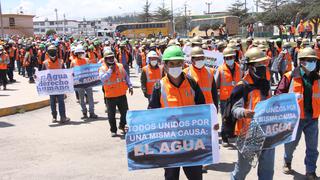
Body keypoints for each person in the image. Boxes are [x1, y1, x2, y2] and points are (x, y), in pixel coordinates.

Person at [148, 45, 206, 180]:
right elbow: (151, 114)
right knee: (171, 177)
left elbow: (203, 109)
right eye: (172, 63)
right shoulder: (159, 87)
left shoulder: (192, 83)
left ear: (183, 63)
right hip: (170, 143)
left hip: (191, 142)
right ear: (166, 65)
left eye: (179, 63)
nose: (176, 66)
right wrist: (134, 127)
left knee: (196, 176)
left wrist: (211, 124)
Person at [275, 47, 319, 180]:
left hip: (313, 118)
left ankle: (310, 171)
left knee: (312, 148)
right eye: (309, 60)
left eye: (314, 60)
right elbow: (278, 95)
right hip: (294, 119)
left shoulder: (318, 78)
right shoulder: (289, 77)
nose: (313, 63)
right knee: (291, 144)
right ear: (302, 62)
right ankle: (287, 161)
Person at [230, 47, 274, 180]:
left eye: (263, 64)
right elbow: (234, 109)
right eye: (258, 64)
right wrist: (244, 112)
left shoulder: (266, 83)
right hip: (248, 134)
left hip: (267, 132)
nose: (262, 67)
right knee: (243, 169)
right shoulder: (242, 86)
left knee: (267, 170)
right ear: (250, 66)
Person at [99, 50, 133, 137]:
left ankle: (122, 125)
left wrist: (130, 86)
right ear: (105, 59)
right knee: (111, 115)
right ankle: (113, 130)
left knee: (125, 113)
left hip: (121, 94)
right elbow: (103, 78)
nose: (111, 59)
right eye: (108, 58)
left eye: (112, 57)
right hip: (110, 96)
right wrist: (110, 70)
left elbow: (126, 76)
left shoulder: (120, 66)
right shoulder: (102, 68)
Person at [216, 47, 242, 147]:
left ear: (234, 57)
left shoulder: (239, 68)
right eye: (227, 58)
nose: (229, 59)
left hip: (237, 97)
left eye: (231, 57)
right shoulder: (220, 69)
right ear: (224, 59)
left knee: (235, 117)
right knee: (225, 118)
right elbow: (216, 84)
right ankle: (224, 138)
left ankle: (232, 135)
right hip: (224, 99)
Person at [41, 45, 70, 123]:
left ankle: (63, 117)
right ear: (48, 53)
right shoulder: (45, 63)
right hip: (51, 86)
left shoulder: (61, 61)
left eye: (54, 51)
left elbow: (64, 72)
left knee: (61, 101)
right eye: (51, 51)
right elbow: (42, 74)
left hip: (60, 86)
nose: (52, 53)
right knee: (52, 102)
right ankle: (54, 117)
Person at [70, 45, 98, 119]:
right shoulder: (73, 62)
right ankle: (84, 112)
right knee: (81, 98)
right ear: (76, 53)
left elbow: (91, 70)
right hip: (79, 83)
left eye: (81, 52)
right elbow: (71, 72)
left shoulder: (87, 60)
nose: (80, 54)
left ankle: (92, 112)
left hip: (88, 82)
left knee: (90, 97)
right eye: (78, 53)